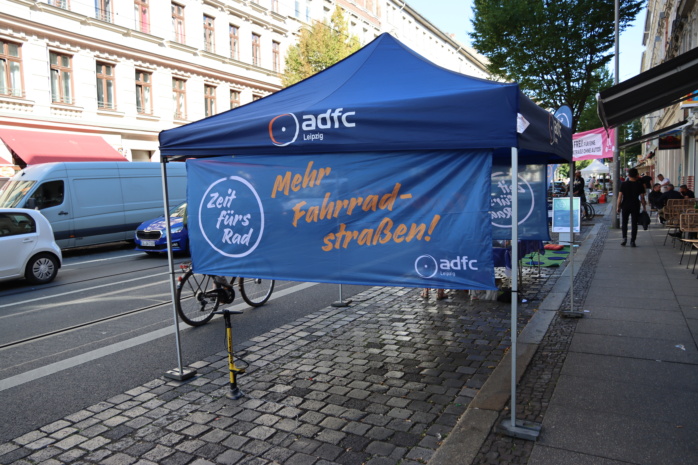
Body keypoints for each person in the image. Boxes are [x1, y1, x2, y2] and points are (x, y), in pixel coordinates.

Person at [617, 168, 646, 247]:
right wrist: (644, 207)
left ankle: (624, 238)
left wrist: (618, 207)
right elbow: (642, 198)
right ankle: (632, 241)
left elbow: (620, 197)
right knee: (634, 223)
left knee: (624, 222)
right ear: (637, 175)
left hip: (625, 205)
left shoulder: (623, 184)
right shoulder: (639, 185)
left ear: (628, 175)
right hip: (635, 205)